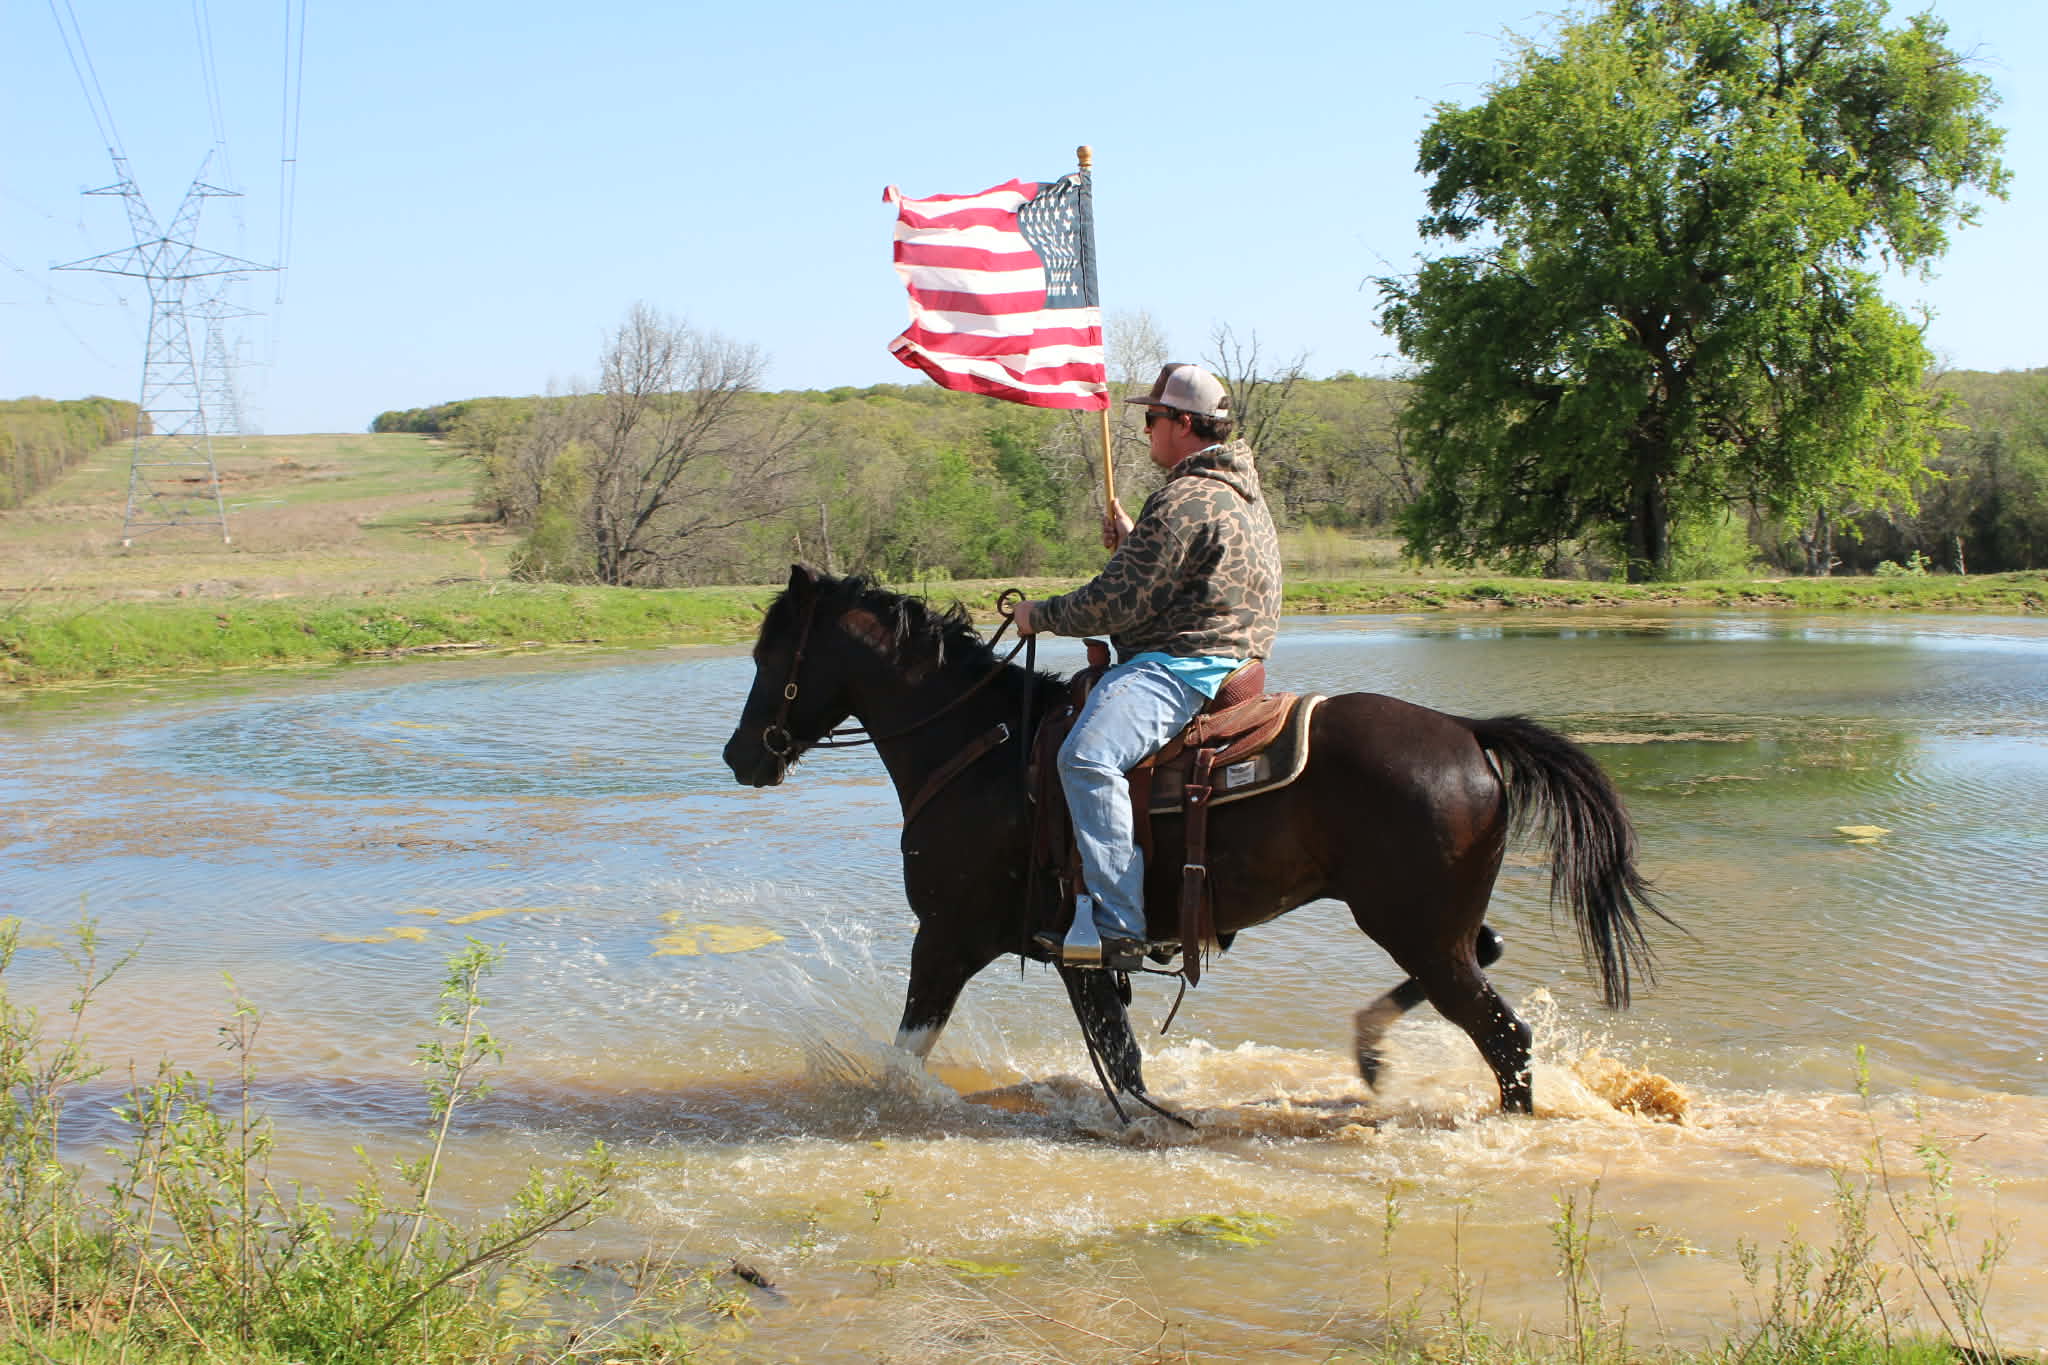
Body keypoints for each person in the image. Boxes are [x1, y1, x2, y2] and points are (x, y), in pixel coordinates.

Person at [1012, 363, 1282, 970]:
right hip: (1229, 657)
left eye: (1152, 418)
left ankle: (1119, 927)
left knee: (1085, 759)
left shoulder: (1184, 496)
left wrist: (1039, 615)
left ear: (1182, 423)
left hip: (1182, 666)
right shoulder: (1236, 489)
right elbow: (1193, 569)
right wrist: (1138, 540)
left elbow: (1115, 602)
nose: (1145, 430)